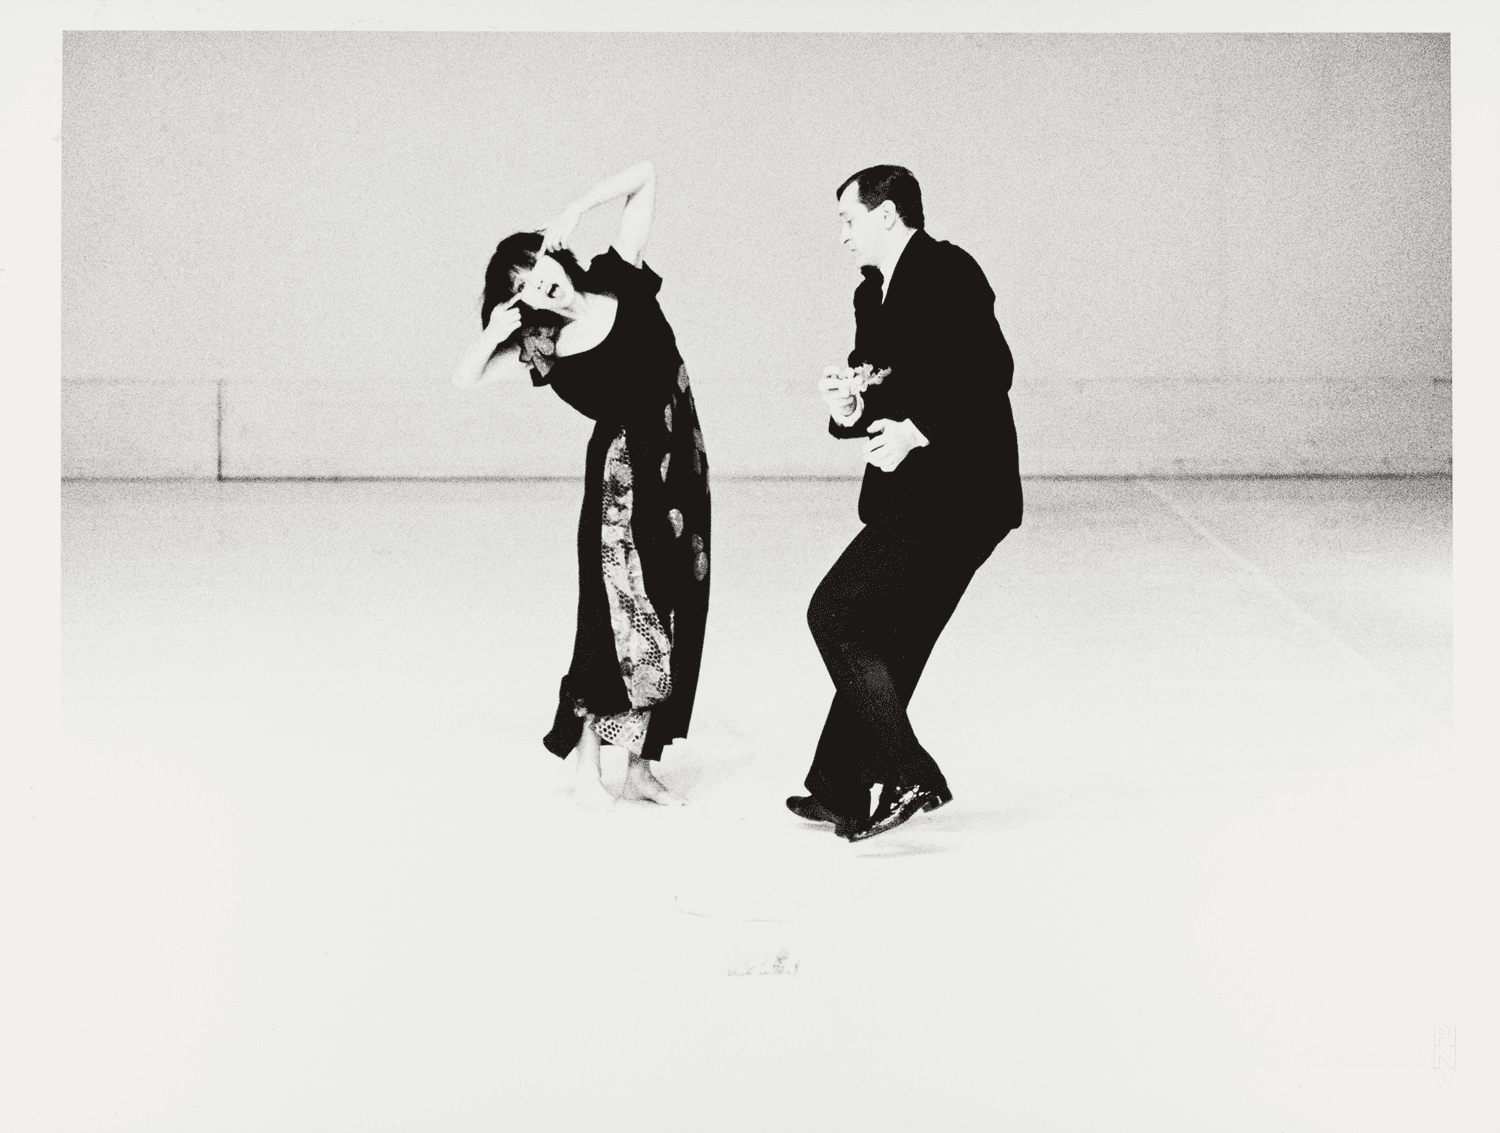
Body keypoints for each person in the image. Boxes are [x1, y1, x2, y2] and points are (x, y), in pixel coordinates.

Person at [452, 161, 710, 810]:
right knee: (611, 619)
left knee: (677, 609)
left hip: (682, 466)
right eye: (529, 292)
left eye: (543, 272)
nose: (547, 290)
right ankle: (586, 762)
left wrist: (574, 207)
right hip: (621, 488)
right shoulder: (545, 344)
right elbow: (467, 378)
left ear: (557, 258)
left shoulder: (617, 273)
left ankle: (643, 765)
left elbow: (647, 174)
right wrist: (496, 326)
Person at [787, 164, 1022, 841]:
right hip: (917, 492)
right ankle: (839, 787)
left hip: (964, 493)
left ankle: (909, 770)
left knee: (834, 611)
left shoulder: (949, 272)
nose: (841, 237)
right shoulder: (872, 295)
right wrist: (851, 405)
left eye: (847, 220)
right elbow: (879, 389)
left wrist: (918, 430)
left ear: (886, 214)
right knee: (893, 635)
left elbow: (990, 371)